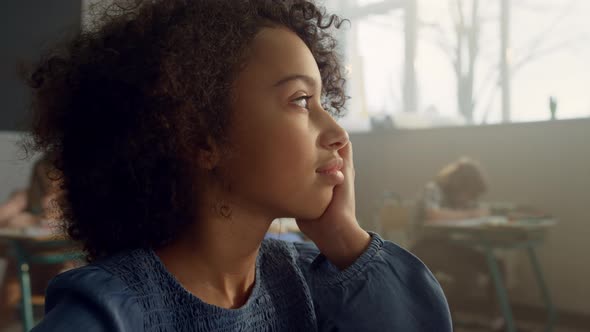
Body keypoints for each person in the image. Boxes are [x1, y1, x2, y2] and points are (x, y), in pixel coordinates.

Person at [24, 1, 451, 330]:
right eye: (301, 101)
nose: (339, 132)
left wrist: (343, 236)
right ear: (201, 138)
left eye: (325, 101)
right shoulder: (111, 309)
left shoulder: (310, 282)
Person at [410, 157, 504, 324]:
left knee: (496, 264)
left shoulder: (459, 199)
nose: (469, 198)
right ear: (458, 185)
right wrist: (471, 214)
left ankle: (495, 319)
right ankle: (440, 318)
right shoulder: (433, 189)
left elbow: (466, 214)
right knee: (468, 275)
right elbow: (434, 215)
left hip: (448, 246)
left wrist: (478, 212)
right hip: (424, 246)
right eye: (468, 192)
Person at [0, 155, 64, 326]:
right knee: (15, 270)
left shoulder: (69, 199)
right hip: (28, 263)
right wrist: (24, 218)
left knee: (65, 276)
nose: (52, 182)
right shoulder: (26, 196)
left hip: (61, 262)